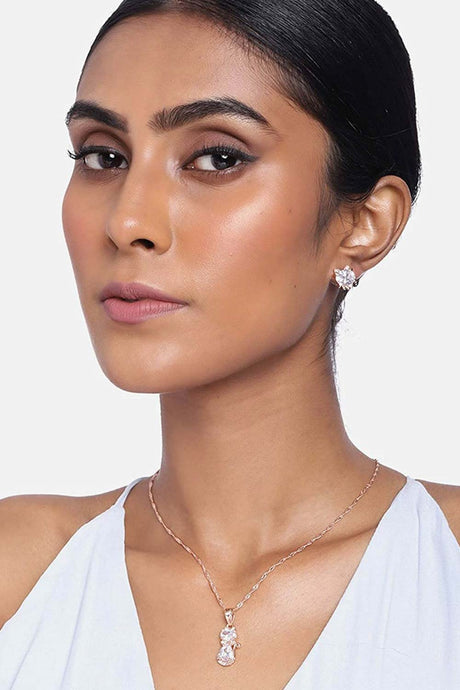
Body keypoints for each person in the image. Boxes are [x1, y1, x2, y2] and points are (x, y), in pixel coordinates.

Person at [1, 0, 459, 688]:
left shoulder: (445, 565)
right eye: (103, 156)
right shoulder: (20, 574)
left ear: (364, 222)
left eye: (216, 158)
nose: (127, 221)